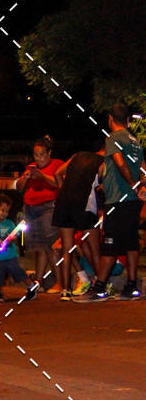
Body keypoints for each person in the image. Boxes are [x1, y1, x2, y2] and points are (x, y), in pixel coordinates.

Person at [77, 103, 146, 302]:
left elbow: (119, 162)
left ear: (110, 119)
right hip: (133, 201)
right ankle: (131, 287)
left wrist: (133, 185)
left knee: (110, 243)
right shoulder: (134, 141)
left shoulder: (113, 138)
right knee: (131, 242)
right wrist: (142, 187)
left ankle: (99, 288)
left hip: (118, 199)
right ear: (128, 120)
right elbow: (143, 167)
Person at [52, 142, 104, 300]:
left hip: (64, 203)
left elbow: (57, 174)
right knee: (94, 247)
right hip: (84, 206)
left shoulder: (77, 156)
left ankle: (65, 290)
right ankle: (101, 285)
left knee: (66, 248)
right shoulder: (103, 164)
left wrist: (65, 192)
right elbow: (103, 188)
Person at [15, 136, 64, 292]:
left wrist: (42, 176)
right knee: (39, 247)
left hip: (49, 207)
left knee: (51, 246)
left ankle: (60, 282)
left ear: (49, 153)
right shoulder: (32, 167)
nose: (38, 158)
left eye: (42, 154)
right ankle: (39, 281)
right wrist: (25, 178)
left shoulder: (58, 165)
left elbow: (60, 184)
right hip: (31, 209)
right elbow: (20, 187)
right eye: (36, 155)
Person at [0, 194, 38, 303]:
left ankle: (31, 286)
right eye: (2, 210)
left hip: (11, 255)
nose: (5, 214)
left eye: (7, 211)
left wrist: (11, 239)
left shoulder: (9, 223)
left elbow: (15, 236)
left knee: (18, 271)